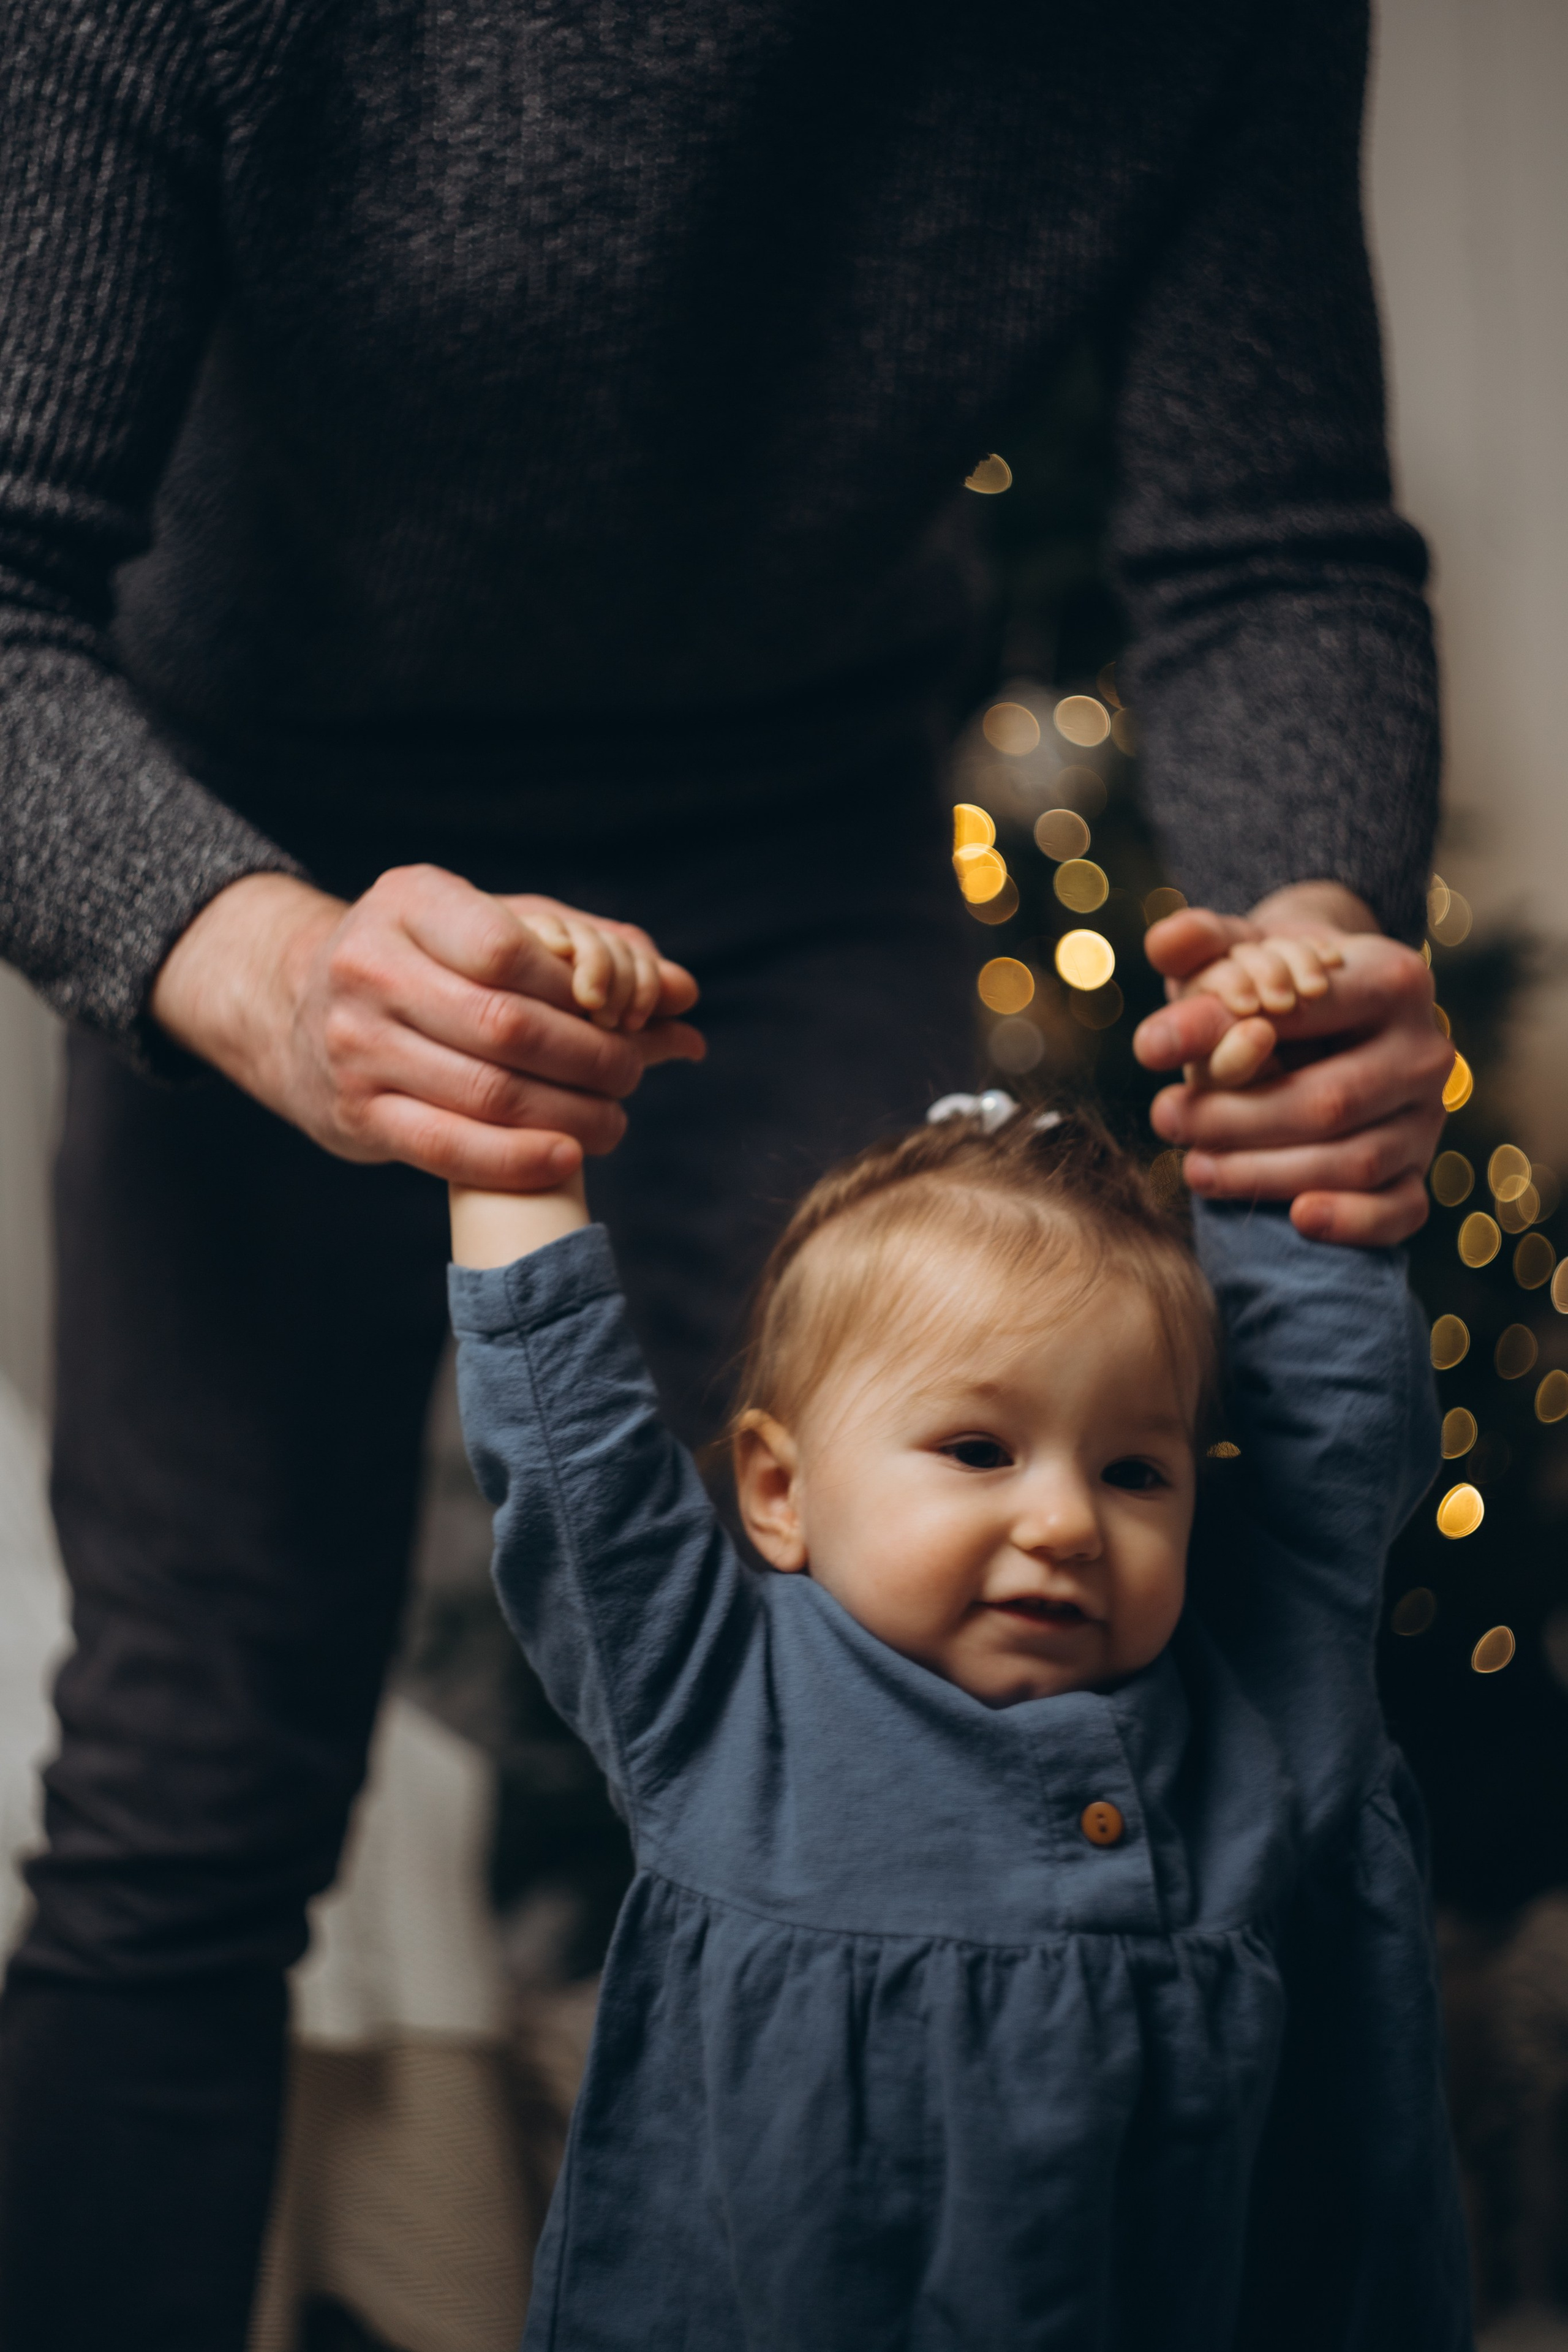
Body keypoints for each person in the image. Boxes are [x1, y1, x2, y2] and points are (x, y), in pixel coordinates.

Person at [0, 0, 1453, 2339]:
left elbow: (1279, 546)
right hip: (256, 817)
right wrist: (260, 967)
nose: (1082, 1525)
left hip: (803, 819)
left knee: (990, 1685)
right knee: (188, 1792)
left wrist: (1309, 935)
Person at [444, 916, 1469, 2350]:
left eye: (1133, 1472)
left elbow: (1322, 1429)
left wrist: (1274, 1083)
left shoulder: (1260, 1689)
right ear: (779, 1493)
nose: (1063, 1521)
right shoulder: (720, 1708)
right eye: (979, 1450)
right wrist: (511, 1134)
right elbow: (575, 1475)